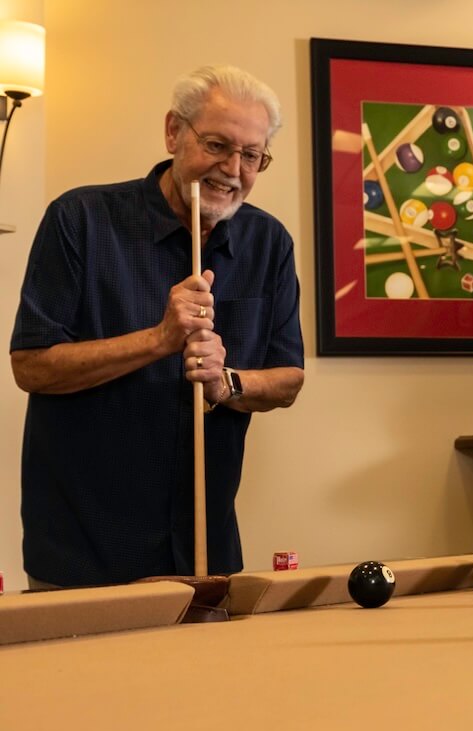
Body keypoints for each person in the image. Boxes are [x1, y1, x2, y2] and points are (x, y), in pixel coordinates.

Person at [9, 65, 304, 587]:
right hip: (84, 549)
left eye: (252, 155)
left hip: (205, 547)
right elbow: (32, 366)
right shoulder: (80, 217)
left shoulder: (269, 243)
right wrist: (159, 340)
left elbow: (287, 378)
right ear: (174, 132)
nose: (233, 169)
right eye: (216, 144)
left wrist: (226, 383)